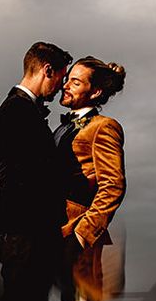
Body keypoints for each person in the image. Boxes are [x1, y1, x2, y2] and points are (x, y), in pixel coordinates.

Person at [0, 41, 73, 247]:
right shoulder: (17, 110)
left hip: (24, 231)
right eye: (61, 78)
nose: (61, 87)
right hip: (26, 232)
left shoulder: (20, 108)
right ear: (48, 70)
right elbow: (27, 175)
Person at [53, 57, 127, 258]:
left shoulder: (104, 126)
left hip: (76, 239)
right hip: (52, 235)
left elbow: (113, 185)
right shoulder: (61, 128)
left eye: (75, 83)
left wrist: (81, 236)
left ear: (95, 92)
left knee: (81, 291)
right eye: (67, 79)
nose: (65, 86)